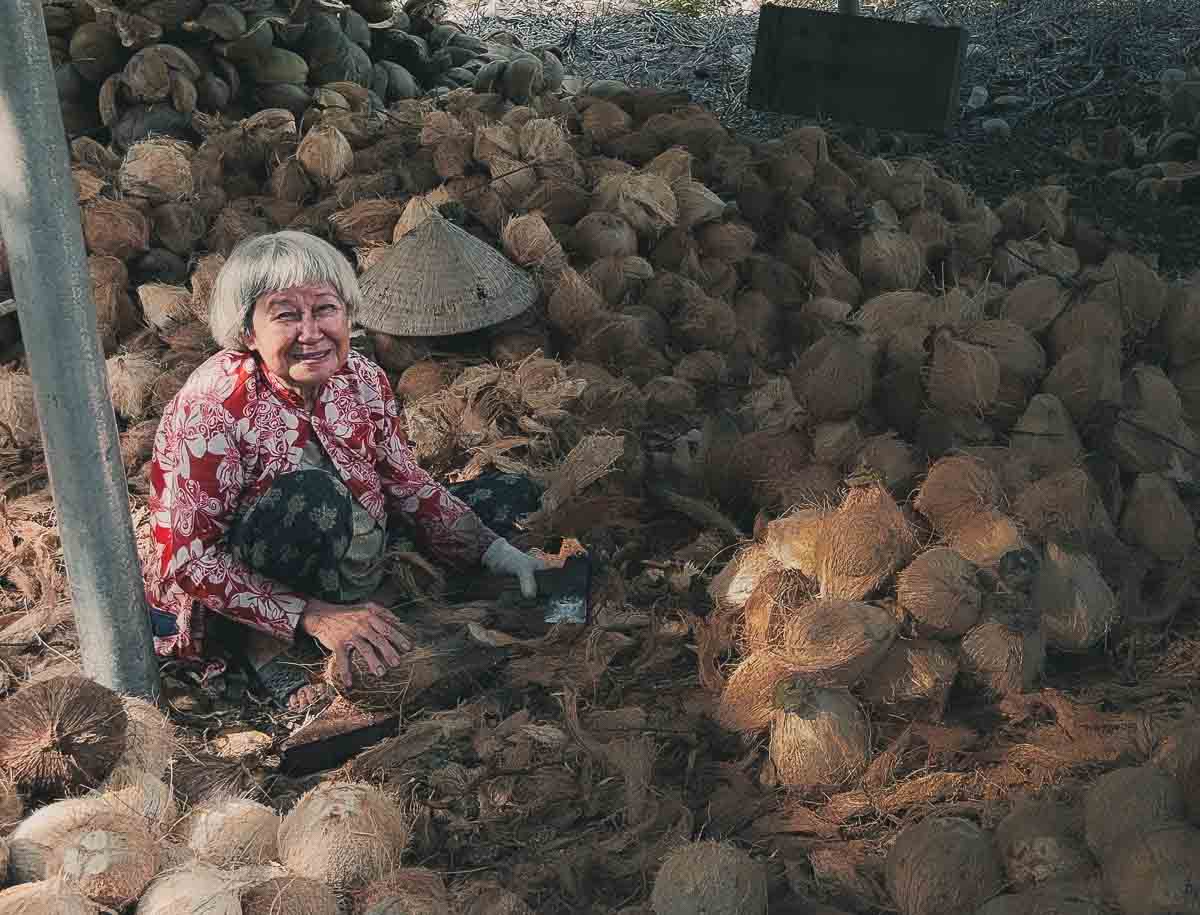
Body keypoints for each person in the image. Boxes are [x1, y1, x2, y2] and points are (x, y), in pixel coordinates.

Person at [143, 230, 548, 710]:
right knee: (312, 496)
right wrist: (312, 616)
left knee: (512, 495)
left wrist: (496, 553)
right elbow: (191, 561)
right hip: (247, 581)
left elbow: (405, 483)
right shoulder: (214, 405)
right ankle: (268, 648)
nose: (311, 333)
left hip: (350, 539)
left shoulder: (361, 376)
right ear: (249, 331)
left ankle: (377, 594)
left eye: (325, 310)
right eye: (287, 315)